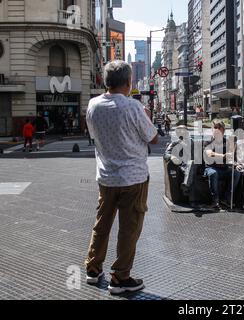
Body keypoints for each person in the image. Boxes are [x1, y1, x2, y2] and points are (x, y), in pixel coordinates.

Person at [84, 60, 159, 295]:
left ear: (106, 82)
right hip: (133, 178)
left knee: (102, 224)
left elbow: (94, 136)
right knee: (129, 228)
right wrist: (147, 116)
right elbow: (153, 138)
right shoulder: (134, 107)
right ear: (128, 82)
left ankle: (93, 269)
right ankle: (120, 277)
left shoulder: (93, 105)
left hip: (106, 176)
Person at [204, 120, 241, 210]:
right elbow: (209, 153)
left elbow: (231, 156)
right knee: (213, 173)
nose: (216, 130)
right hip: (211, 168)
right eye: (215, 127)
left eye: (219, 128)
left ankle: (226, 198)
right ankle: (215, 200)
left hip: (224, 168)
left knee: (236, 173)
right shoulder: (208, 141)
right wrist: (223, 155)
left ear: (223, 130)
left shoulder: (227, 142)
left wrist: (235, 164)